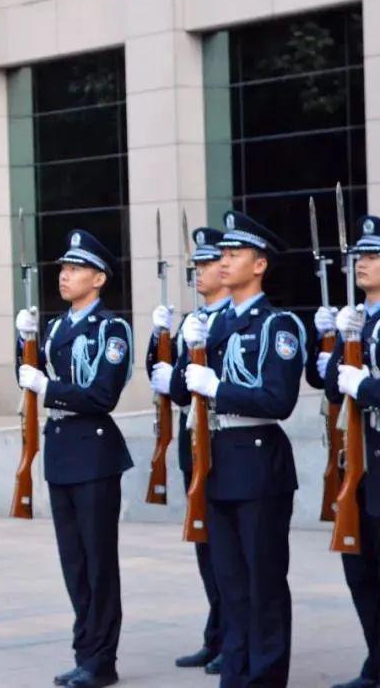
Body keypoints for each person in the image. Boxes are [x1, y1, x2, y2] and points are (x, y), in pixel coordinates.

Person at [168, 211, 306, 687]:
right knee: (231, 585)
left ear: (259, 264)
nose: (223, 261)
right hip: (217, 460)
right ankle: (236, 675)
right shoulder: (211, 323)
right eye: (221, 254)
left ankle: (265, 678)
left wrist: (217, 386)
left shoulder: (277, 325)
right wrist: (186, 355)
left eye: (234, 254)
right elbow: (185, 391)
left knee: (263, 584)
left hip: (257, 459)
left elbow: (279, 399)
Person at [15, 229, 134, 688]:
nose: (64, 276)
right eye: (63, 268)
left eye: (75, 268)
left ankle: (102, 659)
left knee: (99, 561)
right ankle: (85, 650)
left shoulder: (111, 328)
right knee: (74, 562)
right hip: (61, 452)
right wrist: (21, 343)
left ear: (98, 278)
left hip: (94, 451)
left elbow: (103, 393)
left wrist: (50, 388)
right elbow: (29, 378)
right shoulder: (56, 327)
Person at [147, 227, 230, 676]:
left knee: (226, 550)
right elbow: (169, 383)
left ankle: (231, 636)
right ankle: (216, 633)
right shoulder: (192, 322)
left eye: (207, 263)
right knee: (205, 544)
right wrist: (160, 335)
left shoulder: (226, 321)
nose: (198, 272)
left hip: (223, 441)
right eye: (195, 265)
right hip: (191, 442)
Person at [315, 215, 380, 688]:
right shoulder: (359, 316)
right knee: (360, 568)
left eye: (374, 256)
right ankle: (376, 661)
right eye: (361, 256)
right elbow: (330, 385)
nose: (363, 263)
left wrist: (370, 386)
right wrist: (340, 340)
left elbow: (360, 387)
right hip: (359, 460)